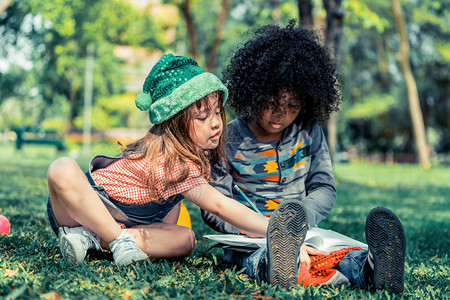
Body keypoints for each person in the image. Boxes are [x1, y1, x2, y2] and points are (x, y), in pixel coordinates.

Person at [201, 21, 406, 294]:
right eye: (272, 104)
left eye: (292, 106)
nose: (281, 114)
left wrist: (300, 220)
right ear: (253, 92)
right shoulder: (227, 138)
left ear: (306, 101)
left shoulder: (310, 131)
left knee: (339, 252)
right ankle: (277, 265)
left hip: (305, 231)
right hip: (248, 236)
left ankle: (371, 267)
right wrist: (246, 227)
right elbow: (214, 204)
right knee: (254, 257)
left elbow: (324, 187)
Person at [46, 53, 271, 267]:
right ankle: (116, 239)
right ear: (175, 123)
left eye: (217, 112)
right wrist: (273, 229)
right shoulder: (174, 159)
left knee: (185, 239)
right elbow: (220, 205)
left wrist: (252, 228)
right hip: (78, 209)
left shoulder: (190, 157)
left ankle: (92, 239)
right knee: (61, 167)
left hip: (123, 223)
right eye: (202, 116)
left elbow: (167, 224)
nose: (215, 123)